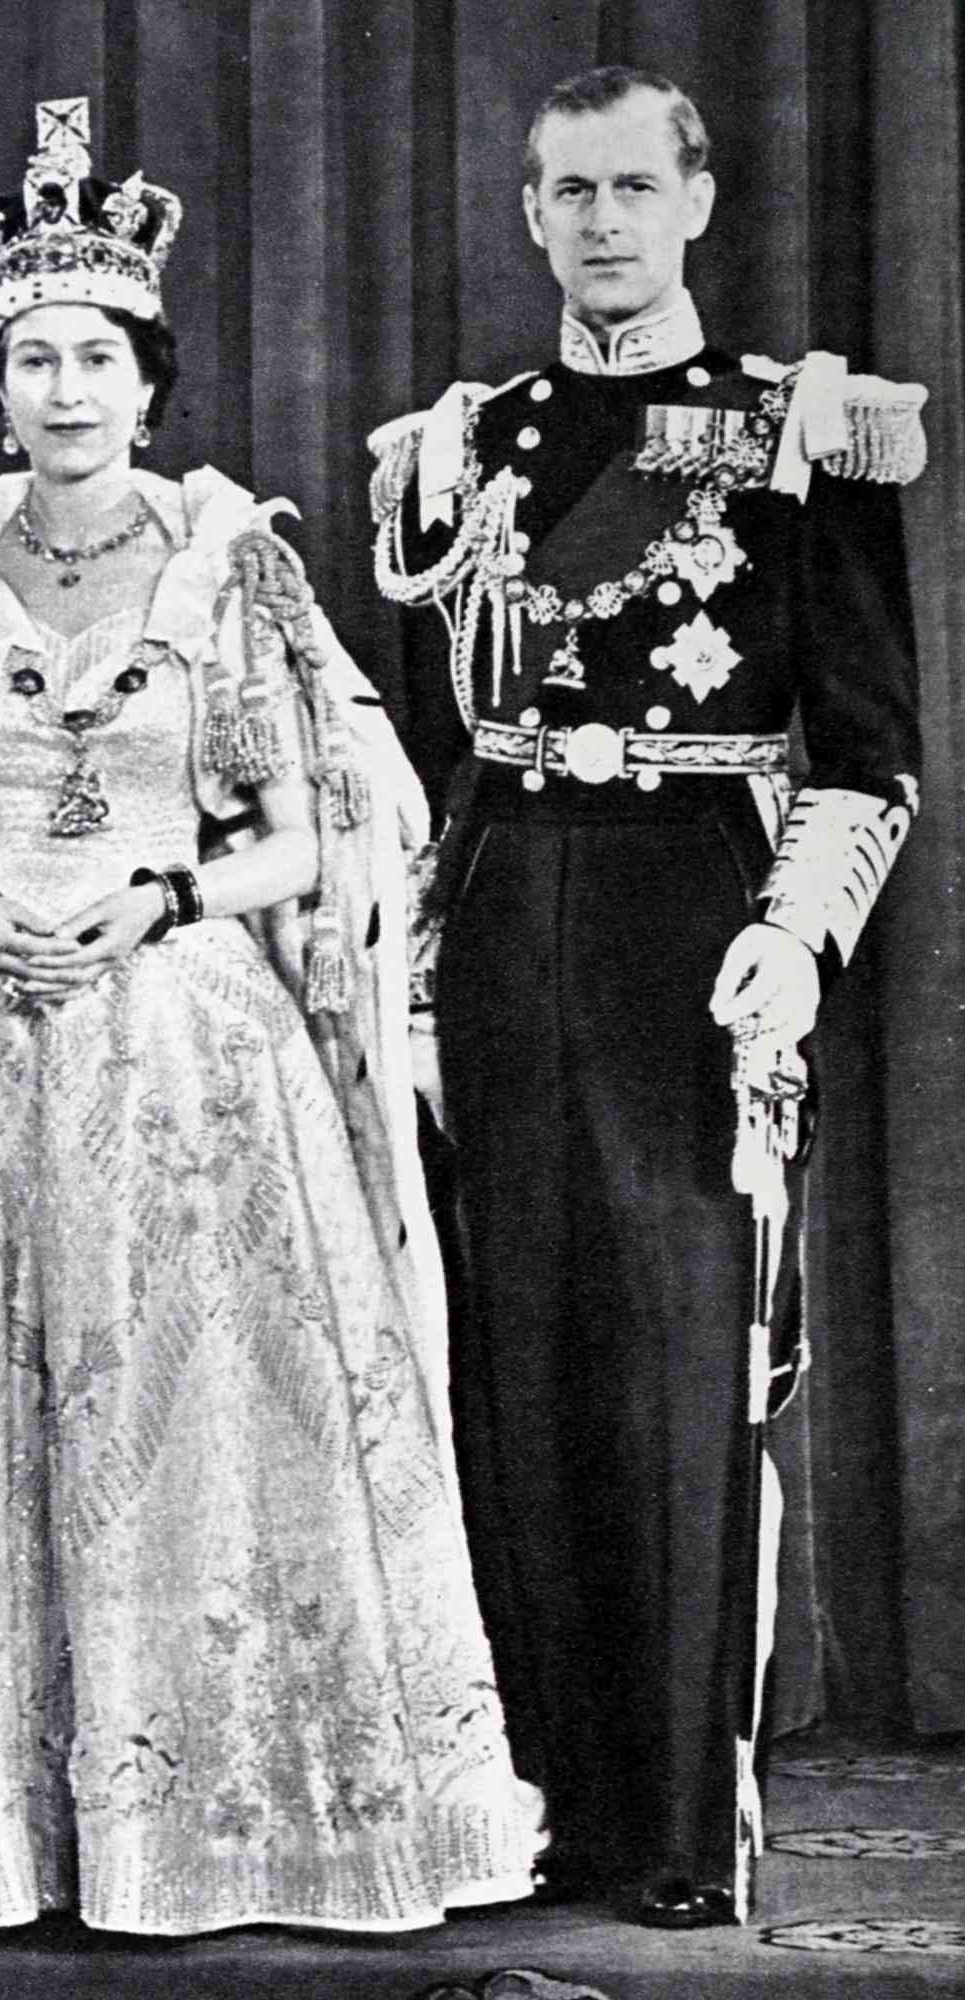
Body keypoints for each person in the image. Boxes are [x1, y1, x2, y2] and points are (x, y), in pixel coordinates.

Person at [0, 96, 546, 1981]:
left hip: (185, 1043)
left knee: (195, 1423)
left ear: (149, 383)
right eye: (36, 360)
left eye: (100, 358)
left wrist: (158, 900)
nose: (67, 388)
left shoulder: (238, 569)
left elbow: (310, 835)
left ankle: (216, 1823)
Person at [370, 66, 924, 1928]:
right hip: (508, 899)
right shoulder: (464, 447)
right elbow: (438, 748)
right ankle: (540, 1809)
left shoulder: (803, 434)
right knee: (509, 1363)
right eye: (564, 191)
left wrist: (798, 930)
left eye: (630, 185)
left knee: (676, 1378)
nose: (598, 222)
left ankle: (677, 1834)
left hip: (697, 916)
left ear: (694, 200)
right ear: (528, 214)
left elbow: (867, 745)